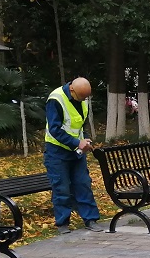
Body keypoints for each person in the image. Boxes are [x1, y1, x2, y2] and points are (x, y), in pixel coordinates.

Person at [43, 77, 104, 233]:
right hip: (57, 151)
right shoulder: (55, 99)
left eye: (86, 97)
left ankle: (90, 219)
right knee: (61, 187)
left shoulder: (82, 99)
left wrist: (85, 139)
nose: (84, 100)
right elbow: (54, 129)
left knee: (83, 184)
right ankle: (62, 223)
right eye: (82, 96)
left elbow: (80, 124)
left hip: (77, 152)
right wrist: (77, 142)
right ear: (72, 90)